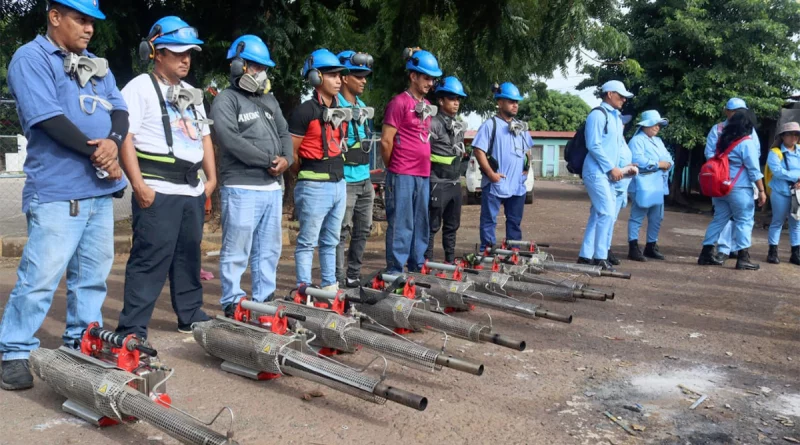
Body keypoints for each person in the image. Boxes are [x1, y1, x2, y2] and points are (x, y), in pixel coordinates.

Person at [0, 0, 128, 390]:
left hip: (99, 191)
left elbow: (120, 111)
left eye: (92, 22)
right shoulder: (31, 57)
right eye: (80, 19)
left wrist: (113, 141)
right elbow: (47, 118)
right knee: (40, 278)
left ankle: (81, 344)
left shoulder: (95, 63)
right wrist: (98, 151)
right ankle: (14, 351)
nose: (89, 29)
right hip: (58, 191)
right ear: (55, 17)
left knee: (91, 279)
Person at [115, 16, 216, 338]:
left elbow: (204, 137)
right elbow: (124, 137)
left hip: (191, 188)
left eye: (189, 52)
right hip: (157, 187)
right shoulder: (139, 87)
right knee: (149, 259)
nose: (185, 58)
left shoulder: (191, 92)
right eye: (177, 52)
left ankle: (190, 313)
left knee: (189, 257)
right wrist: (139, 185)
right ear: (155, 52)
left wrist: (210, 181)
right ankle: (132, 327)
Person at [210, 35, 292, 316]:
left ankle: (264, 299)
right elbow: (230, 140)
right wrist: (268, 160)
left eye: (263, 67)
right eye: (255, 66)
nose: (260, 73)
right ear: (237, 66)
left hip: (271, 188)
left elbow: (284, 132)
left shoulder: (269, 99)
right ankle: (232, 301)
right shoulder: (225, 100)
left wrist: (287, 159)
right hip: (241, 185)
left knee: (268, 250)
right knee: (237, 249)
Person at [289, 49, 349, 290]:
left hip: (339, 184)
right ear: (316, 77)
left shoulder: (341, 111)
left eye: (339, 75)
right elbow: (292, 153)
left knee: (331, 240)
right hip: (313, 185)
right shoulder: (304, 112)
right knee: (307, 241)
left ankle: (329, 286)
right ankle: (304, 288)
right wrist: (304, 176)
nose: (338, 80)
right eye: (332, 75)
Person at [380, 48, 442, 274]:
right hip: (402, 173)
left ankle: (416, 267)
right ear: (413, 76)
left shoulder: (425, 106)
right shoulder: (399, 103)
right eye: (426, 77)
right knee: (401, 224)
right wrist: (394, 168)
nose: (430, 83)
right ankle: (395, 271)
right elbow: (386, 142)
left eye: (432, 78)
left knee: (420, 224)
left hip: (422, 174)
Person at [697, 111, 766, 270]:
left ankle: (706, 253)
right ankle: (743, 257)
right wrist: (761, 191)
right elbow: (754, 170)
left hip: (721, 187)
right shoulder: (746, 143)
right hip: (739, 188)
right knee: (744, 221)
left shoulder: (723, 141)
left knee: (719, 219)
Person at [577, 80, 634, 270]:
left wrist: (622, 168)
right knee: (607, 212)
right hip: (596, 172)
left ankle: (585, 255)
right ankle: (600, 256)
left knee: (598, 213)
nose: (624, 99)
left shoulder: (616, 118)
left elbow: (616, 148)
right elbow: (593, 145)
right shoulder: (598, 115)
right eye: (620, 95)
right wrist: (611, 168)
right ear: (609, 94)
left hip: (607, 173)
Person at [473, 82, 533, 251]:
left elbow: (528, 150)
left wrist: (526, 170)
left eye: (517, 102)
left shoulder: (521, 127)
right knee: (489, 219)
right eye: (511, 101)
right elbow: (478, 150)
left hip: (517, 185)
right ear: (499, 102)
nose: (515, 105)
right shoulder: (490, 125)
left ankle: (513, 250)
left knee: (514, 221)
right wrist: (491, 174)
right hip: (495, 184)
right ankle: (488, 250)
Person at [335, 50, 375, 287]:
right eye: (358, 75)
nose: (363, 80)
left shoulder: (362, 106)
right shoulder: (335, 105)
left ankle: (353, 275)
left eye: (365, 76)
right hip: (345, 179)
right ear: (345, 77)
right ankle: (338, 279)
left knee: (363, 230)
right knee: (341, 232)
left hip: (365, 178)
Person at [425, 76, 467, 263]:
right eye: (452, 98)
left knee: (452, 226)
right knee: (431, 226)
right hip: (437, 183)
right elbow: (424, 152)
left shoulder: (458, 126)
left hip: (454, 183)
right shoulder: (432, 123)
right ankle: (426, 262)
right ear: (441, 100)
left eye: (458, 99)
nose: (456, 102)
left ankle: (449, 261)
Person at [627, 110, 673, 261]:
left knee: (657, 217)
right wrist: (658, 164)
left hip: (658, 185)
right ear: (645, 125)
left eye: (658, 124)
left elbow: (669, 158)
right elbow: (638, 160)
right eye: (654, 124)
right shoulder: (637, 141)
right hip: (643, 184)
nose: (657, 127)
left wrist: (667, 164)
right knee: (638, 216)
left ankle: (651, 246)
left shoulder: (658, 141)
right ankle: (633, 247)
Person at [765, 122, 800, 265]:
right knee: (777, 222)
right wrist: (797, 176)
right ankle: (772, 253)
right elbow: (777, 172)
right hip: (780, 192)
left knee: (796, 223)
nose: (793, 137)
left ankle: (796, 254)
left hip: (797, 193)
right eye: (790, 134)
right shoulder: (775, 152)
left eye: (796, 134)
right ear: (783, 136)